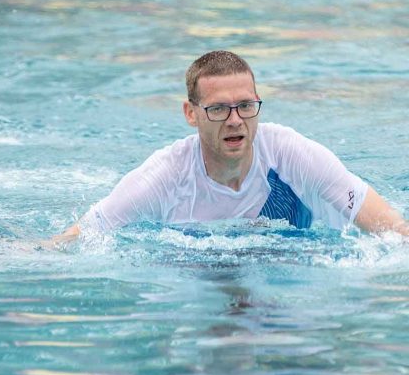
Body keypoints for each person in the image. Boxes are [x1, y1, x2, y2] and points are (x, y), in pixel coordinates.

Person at [48, 50, 407, 246]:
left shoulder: (290, 153)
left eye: (246, 106)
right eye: (218, 108)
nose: (235, 120)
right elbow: (77, 238)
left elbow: (390, 228)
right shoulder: (163, 177)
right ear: (191, 113)